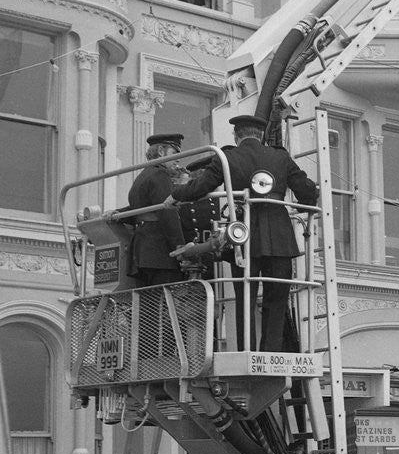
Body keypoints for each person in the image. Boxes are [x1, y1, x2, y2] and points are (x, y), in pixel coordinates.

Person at [168, 113, 319, 352]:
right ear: (261, 136)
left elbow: (201, 187)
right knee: (277, 298)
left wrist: (175, 194)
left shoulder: (227, 157)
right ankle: (271, 352)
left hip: (243, 236)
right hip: (280, 237)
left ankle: (246, 351)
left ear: (236, 136)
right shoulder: (281, 157)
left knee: (244, 297)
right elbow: (307, 193)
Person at [127, 133, 187, 287]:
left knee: (146, 306)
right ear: (161, 151)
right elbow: (167, 212)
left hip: (142, 252)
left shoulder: (143, 175)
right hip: (160, 254)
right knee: (163, 306)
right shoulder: (160, 175)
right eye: (175, 153)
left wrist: (117, 214)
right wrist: (180, 248)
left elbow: (140, 207)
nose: (179, 159)